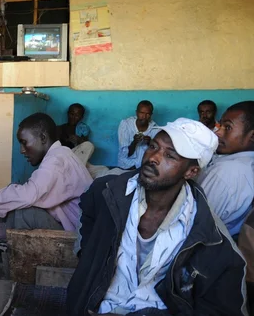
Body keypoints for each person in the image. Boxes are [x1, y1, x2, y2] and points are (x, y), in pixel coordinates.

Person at [67, 118, 247, 315]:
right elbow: (88, 210)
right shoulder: (107, 190)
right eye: (153, 146)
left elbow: (222, 307)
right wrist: (89, 257)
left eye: (170, 155)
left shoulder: (210, 236)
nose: (153, 157)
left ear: (191, 171)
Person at [0, 113, 93, 278]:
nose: (22, 150)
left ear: (43, 138)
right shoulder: (59, 155)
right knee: (15, 196)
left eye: (24, 143)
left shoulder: (56, 161)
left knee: (24, 208)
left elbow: (27, 197)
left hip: (76, 243)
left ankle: (3, 264)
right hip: (70, 231)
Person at [198, 101, 254, 237]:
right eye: (220, 125)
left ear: (252, 136)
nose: (218, 132)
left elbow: (197, 225)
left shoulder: (226, 172)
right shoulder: (246, 163)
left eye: (227, 127)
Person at [117, 100, 158, 169]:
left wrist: (150, 143)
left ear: (151, 115)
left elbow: (156, 154)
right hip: (126, 166)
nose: (144, 116)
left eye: (147, 114)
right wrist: (134, 142)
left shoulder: (155, 129)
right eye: (141, 113)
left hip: (144, 167)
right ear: (136, 112)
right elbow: (124, 154)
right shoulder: (126, 125)